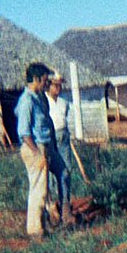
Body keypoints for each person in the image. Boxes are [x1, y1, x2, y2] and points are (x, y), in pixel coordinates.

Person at [15, 62, 68, 239]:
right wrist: (38, 154)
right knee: (39, 189)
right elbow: (23, 132)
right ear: (36, 79)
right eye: (45, 80)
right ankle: (36, 230)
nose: (48, 83)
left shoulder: (40, 97)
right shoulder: (27, 101)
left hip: (47, 146)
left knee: (63, 172)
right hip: (34, 148)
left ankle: (62, 212)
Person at [45, 72, 75, 226]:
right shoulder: (44, 102)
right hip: (50, 139)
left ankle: (65, 206)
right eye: (55, 85)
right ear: (48, 85)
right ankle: (51, 209)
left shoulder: (64, 103)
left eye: (60, 85)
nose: (58, 88)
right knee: (49, 174)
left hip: (63, 137)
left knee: (66, 171)